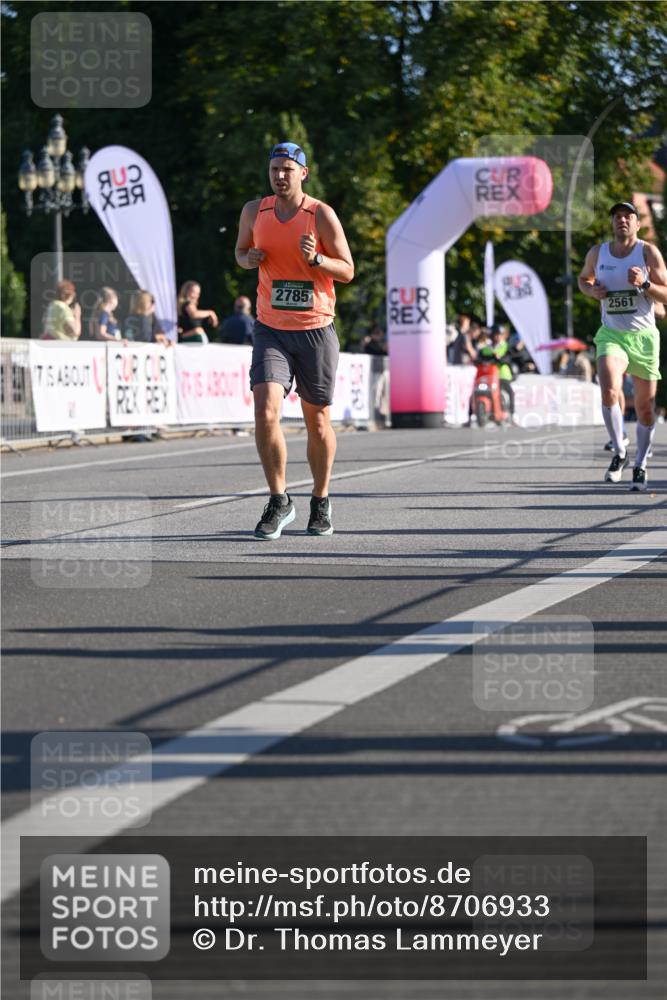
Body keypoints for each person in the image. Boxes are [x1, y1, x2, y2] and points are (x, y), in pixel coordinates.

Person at [235, 140, 354, 539]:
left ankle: (320, 501)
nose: (280, 176)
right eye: (274, 170)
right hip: (270, 328)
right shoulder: (255, 211)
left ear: (303, 173)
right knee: (265, 410)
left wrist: (317, 259)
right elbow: (239, 250)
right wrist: (247, 259)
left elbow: (348, 270)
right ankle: (279, 498)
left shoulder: (320, 215)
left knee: (316, 420)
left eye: (288, 169)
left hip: (316, 328)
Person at [579, 201, 667, 491]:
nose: (622, 221)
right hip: (611, 334)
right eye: (617, 217)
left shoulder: (648, 252)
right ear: (613, 222)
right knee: (609, 389)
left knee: (645, 408)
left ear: (637, 224)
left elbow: (666, 294)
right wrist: (591, 290)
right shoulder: (598, 252)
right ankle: (619, 451)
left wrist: (644, 285)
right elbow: (583, 279)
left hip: (643, 338)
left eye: (628, 216)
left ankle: (640, 462)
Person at [479, 324, 515, 417]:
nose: (498, 337)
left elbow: (508, 358)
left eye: (500, 335)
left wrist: (500, 359)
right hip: (489, 375)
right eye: (496, 335)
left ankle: (511, 413)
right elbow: (481, 357)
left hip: (503, 375)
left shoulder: (506, 346)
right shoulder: (487, 347)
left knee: (509, 392)